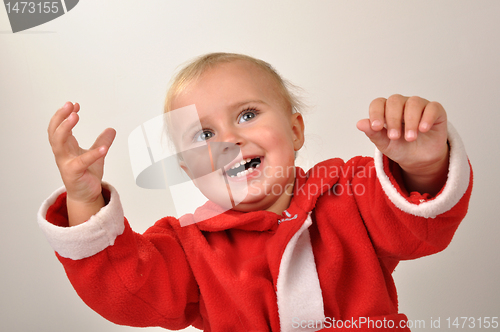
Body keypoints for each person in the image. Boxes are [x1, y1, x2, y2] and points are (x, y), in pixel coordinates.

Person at [38, 53, 472, 331]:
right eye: (204, 133)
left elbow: (417, 223)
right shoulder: (187, 244)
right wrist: (84, 200)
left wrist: (422, 163)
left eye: (247, 114)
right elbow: (127, 292)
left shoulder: (351, 192)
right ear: (188, 170)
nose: (228, 139)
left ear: (295, 129)